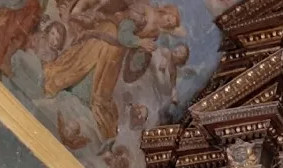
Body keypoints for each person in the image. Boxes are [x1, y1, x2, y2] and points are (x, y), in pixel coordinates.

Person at [43, 3, 183, 139]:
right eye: (169, 19)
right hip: (106, 38)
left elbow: (133, 49)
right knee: (82, 67)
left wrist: (142, 51)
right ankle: (65, 94)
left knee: (103, 86)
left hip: (116, 52)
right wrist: (140, 42)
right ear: (165, 12)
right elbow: (123, 33)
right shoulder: (143, 11)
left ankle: (80, 106)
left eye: (170, 24)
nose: (167, 23)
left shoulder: (155, 32)